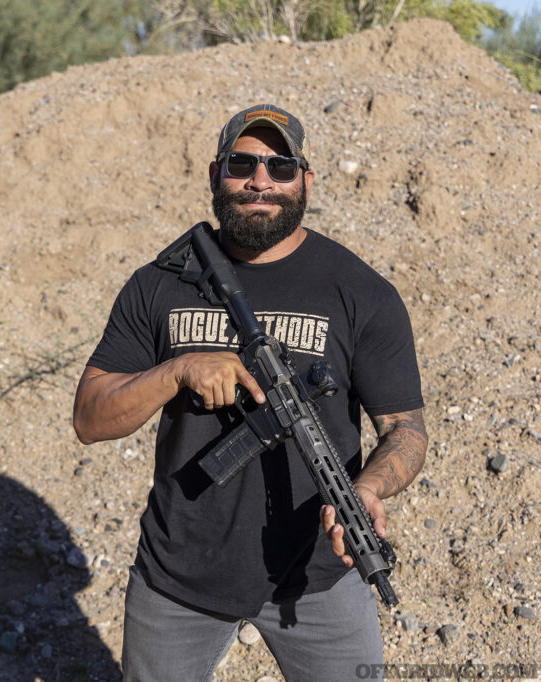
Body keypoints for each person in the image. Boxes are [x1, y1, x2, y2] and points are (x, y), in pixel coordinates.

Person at [73, 104, 428, 681]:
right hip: (179, 575)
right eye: (243, 164)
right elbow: (90, 418)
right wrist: (178, 371)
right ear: (215, 174)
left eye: (280, 166)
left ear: (305, 180)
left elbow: (405, 430)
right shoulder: (159, 283)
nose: (260, 180)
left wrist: (367, 489)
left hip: (318, 576)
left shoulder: (361, 291)